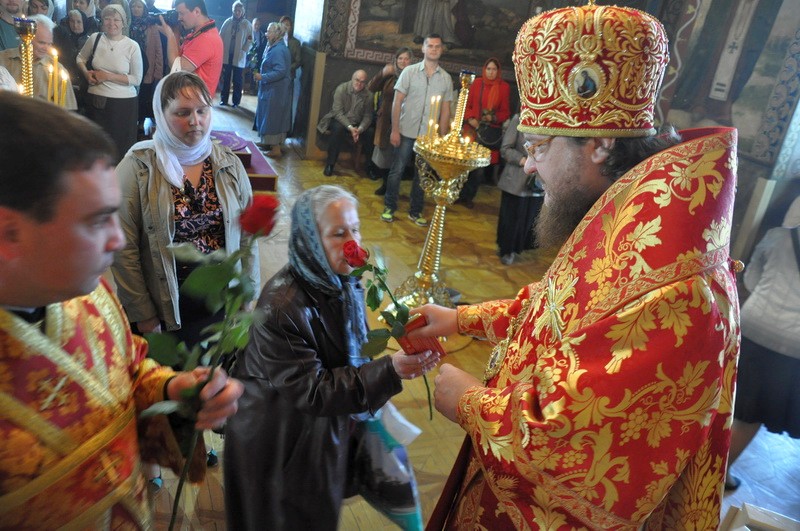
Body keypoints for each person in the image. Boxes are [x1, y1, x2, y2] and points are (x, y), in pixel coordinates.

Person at [410, 4, 741, 528]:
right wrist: (464, 319)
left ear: (600, 144)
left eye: (541, 145)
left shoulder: (676, 287)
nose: (529, 161)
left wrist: (470, 402)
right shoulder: (629, 219)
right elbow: (560, 310)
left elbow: (574, 464)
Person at [0, 90, 243, 529]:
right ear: (9, 233)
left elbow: (126, 365)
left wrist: (173, 389)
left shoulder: (87, 294)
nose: (116, 239)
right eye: (96, 221)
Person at [224, 184, 435, 530]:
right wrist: (390, 371)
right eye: (338, 233)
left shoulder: (340, 280)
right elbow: (312, 390)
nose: (353, 242)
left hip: (317, 431)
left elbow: (352, 351)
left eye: (355, 229)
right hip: (280, 444)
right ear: (310, 239)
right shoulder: (282, 306)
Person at [112, 70, 258, 344]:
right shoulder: (137, 167)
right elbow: (123, 248)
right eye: (182, 113)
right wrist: (142, 311)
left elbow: (248, 236)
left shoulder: (227, 164)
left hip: (219, 301)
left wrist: (247, 293)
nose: (195, 121)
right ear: (161, 115)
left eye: (202, 111)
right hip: (165, 303)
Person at [725, 195, 800, 490]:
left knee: (729, 401)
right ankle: (720, 474)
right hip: (792, 345)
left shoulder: (777, 237)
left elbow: (752, 277)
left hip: (753, 327)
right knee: (751, 415)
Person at [382, 33, 452, 227]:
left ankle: (415, 210)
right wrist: (394, 130)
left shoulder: (445, 79)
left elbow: (445, 111)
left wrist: (442, 138)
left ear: (441, 49)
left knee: (423, 175)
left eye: (437, 46)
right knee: (397, 170)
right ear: (423, 49)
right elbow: (397, 102)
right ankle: (389, 207)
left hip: (428, 137)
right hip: (405, 130)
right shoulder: (409, 72)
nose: (434, 49)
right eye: (430, 46)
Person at [76, 4, 141, 157]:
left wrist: (107, 76)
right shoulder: (95, 38)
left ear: (123, 23)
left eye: (116, 20)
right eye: (107, 19)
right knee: (97, 148)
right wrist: (86, 74)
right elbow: (80, 57)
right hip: (97, 101)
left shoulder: (132, 46)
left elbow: (136, 79)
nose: (112, 23)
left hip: (124, 105)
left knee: (121, 149)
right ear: (102, 21)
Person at [457, 57, 511, 208]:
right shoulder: (476, 83)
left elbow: (505, 112)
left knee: (479, 169)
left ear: (498, 71)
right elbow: (466, 106)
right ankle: (457, 194)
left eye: (494, 69)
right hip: (471, 130)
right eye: (489, 69)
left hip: (489, 133)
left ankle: (468, 197)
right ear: (484, 69)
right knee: (464, 164)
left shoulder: (504, 87)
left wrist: (492, 117)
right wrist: (470, 118)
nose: (491, 72)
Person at [0, 14, 78, 110]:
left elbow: (67, 110)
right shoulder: (2, 59)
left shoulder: (57, 70)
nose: (46, 48)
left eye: (49, 43)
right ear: (25, 38)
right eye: (41, 43)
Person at [495, 114, 543, 266]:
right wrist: (524, 161)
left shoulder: (554, 123)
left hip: (538, 181)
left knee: (528, 217)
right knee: (512, 218)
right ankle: (506, 250)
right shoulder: (519, 118)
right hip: (516, 179)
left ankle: (518, 247)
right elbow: (506, 149)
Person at [368, 46, 413, 194]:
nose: (403, 61)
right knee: (386, 155)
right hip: (386, 120)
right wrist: (383, 73)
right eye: (400, 58)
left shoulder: (413, 77)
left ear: (411, 61)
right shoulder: (390, 74)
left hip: (405, 120)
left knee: (398, 156)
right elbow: (371, 87)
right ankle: (386, 185)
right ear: (396, 60)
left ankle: (392, 188)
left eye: (406, 58)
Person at [158, 0, 222, 96]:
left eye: (181, 13)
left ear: (196, 11)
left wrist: (170, 35)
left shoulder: (205, 39)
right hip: (190, 99)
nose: (179, 18)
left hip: (193, 104)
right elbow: (179, 57)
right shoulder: (199, 34)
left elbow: (177, 68)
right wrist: (175, 34)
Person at [316, 69, 372, 177]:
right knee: (338, 129)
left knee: (371, 132)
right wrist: (350, 128)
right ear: (352, 78)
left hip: (357, 124)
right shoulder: (341, 89)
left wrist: (359, 129)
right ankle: (330, 164)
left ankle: (369, 167)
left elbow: (368, 116)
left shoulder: (368, 95)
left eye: (362, 82)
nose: (359, 84)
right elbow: (337, 112)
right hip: (340, 120)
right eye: (357, 80)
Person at [253, 22, 291, 158]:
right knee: (268, 117)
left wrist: (262, 77)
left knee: (273, 118)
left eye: (269, 31)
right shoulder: (276, 46)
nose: (266, 34)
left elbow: (280, 71)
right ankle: (267, 142)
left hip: (276, 91)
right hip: (272, 89)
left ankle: (275, 149)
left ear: (276, 34)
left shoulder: (279, 50)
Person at [128, 0, 163, 135]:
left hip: (147, 67)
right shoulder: (127, 24)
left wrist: (158, 71)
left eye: (139, 6)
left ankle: (141, 123)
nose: (136, 9)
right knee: (131, 96)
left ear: (143, 9)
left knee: (143, 97)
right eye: (133, 6)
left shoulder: (151, 25)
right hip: (129, 67)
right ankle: (131, 121)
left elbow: (158, 50)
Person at [54, 9, 91, 111]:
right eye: (72, 21)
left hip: (84, 87)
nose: (75, 25)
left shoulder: (90, 40)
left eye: (79, 22)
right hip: (66, 85)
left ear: (84, 22)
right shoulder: (62, 39)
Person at [218, 0, 251, 108]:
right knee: (226, 78)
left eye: (239, 11)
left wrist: (244, 50)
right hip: (227, 55)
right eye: (236, 10)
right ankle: (224, 99)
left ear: (242, 12)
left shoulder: (246, 24)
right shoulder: (228, 22)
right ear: (233, 11)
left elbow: (250, 39)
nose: (237, 12)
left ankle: (236, 102)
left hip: (239, 56)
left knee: (237, 80)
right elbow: (220, 35)